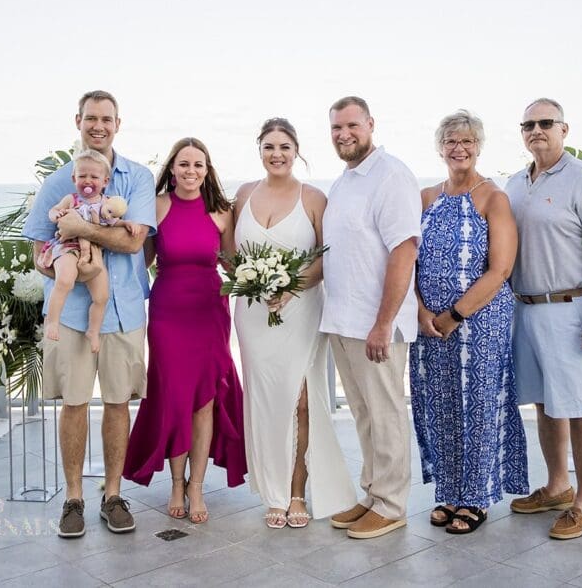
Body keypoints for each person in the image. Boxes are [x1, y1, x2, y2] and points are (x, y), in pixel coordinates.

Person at [24, 90, 155, 539]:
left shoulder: (137, 178)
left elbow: (134, 242)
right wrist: (49, 260)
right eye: (91, 119)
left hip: (125, 309)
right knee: (74, 405)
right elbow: (39, 244)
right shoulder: (59, 180)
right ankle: (74, 499)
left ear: (119, 123)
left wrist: (80, 228)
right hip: (72, 314)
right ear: (77, 121)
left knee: (119, 404)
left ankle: (113, 495)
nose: (98, 126)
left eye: (107, 119)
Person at [233, 117, 357, 530]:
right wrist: (250, 279)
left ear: (297, 150)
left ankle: (298, 490)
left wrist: (290, 285)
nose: (277, 154)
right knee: (265, 401)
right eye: (269, 146)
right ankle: (273, 492)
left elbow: (328, 255)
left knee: (301, 401)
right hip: (252, 314)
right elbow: (226, 254)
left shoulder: (314, 198)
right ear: (260, 150)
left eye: (285, 146)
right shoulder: (244, 195)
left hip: (301, 309)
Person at [505, 98, 582, 540]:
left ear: (564, 129)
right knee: (545, 403)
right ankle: (557, 486)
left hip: (571, 309)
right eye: (528, 124)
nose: (536, 130)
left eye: (545, 123)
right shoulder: (516, 183)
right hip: (524, 308)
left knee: (579, 406)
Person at [410, 110, 529, 535]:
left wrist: (455, 314)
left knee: (478, 404)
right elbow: (411, 261)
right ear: (440, 147)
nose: (459, 148)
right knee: (439, 404)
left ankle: (476, 498)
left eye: (467, 141)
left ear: (478, 146)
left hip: (478, 323)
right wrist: (423, 311)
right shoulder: (426, 197)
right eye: (451, 141)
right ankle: (448, 491)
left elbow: (499, 270)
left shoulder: (493, 198)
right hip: (430, 328)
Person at [123, 137, 247, 524]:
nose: (191, 171)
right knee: (174, 396)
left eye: (198, 165)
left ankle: (197, 485)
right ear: (171, 169)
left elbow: (232, 265)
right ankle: (176, 482)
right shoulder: (157, 207)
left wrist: (271, 289)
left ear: (207, 171)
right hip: (167, 313)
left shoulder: (222, 212)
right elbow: (138, 262)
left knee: (205, 400)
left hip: (209, 312)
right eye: (184, 164)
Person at [321, 96, 421, 540]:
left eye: (351, 126)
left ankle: (393, 504)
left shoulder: (391, 175)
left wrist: (383, 322)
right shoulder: (344, 181)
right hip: (342, 320)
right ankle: (373, 493)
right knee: (363, 413)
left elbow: (405, 250)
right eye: (336, 128)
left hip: (375, 324)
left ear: (371, 125)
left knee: (385, 414)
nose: (344, 134)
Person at [38, 149, 139, 353]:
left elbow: (113, 220)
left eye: (94, 177)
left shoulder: (105, 204)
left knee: (101, 296)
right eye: (82, 176)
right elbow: (52, 212)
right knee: (65, 280)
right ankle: (53, 321)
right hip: (67, 247)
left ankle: (93, 331)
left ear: (105, 181)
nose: (88, 181)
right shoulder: (71, 199)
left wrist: (127, 224)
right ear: (74, 178)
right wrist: (56, 213)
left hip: (92, 252)